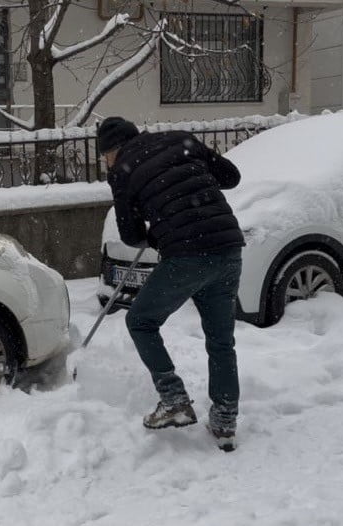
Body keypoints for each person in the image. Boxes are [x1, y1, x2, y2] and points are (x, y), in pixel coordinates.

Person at [97, 116, 245, 452]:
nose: (106, 163)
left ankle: (174, 399)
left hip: (186, 254)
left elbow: (131, 235)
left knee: (140, 321)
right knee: (221, 341)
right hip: (227, 248)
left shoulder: (121, 170)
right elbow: (231, 177)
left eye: (104, 156)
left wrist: (157, 230)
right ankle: (224, 420)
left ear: (111, 151)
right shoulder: (180, 138)